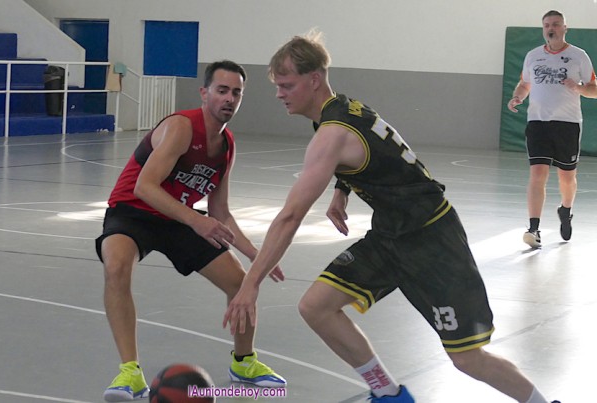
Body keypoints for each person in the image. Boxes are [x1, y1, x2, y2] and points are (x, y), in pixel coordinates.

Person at [223, 31, 559, 403]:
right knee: (316, 306)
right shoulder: (344, 108)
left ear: (314, 80)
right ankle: (390, 395)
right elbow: (376, 148)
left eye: (286, 85)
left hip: (433, 239)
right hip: (391, 235)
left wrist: (250, 285)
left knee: (467, 358)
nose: (279, 94)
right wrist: (342, 189)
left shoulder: (332, 133)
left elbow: (290, 217)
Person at [96, 60, 286, 402]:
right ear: (204, 93)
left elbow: (220, 212)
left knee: (240, 283)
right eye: (222, 90)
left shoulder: (226, 146)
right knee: (117, 266)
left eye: (237, 93)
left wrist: (257, 255)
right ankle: (130, 372)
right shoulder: (182, 127)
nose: (229, 98)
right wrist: (197, 221)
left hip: (178, 219)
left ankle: (244, 362)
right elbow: (144, 186)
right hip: (133, 211)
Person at [507, 10, 597, 249]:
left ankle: (566, 210)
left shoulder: (579, 56)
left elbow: (594, 89)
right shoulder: (533, 56)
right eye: (547, 25)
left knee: (567, 176)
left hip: (567, 124)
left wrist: (578, 88)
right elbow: (525, 83)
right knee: (537, 173)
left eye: (556, 24)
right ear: (543, 29)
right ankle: (533, 228)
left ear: (565, 28)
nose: (551, 28)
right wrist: (517, 96)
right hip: (538, 123)